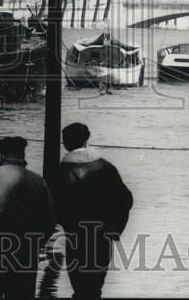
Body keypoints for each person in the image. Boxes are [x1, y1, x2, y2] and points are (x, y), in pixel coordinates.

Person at [0, 136, 55, 299]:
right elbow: (49, 219)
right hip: (26, 248)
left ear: (2, 155)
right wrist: (38, 243)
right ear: (23, 155)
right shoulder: (38, 181)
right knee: (21, 293)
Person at [53, 123, 133, 299]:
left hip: (75, 237)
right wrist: (115, 228)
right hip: (102, 236)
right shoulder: (106, 167)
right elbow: (126, 199)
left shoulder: (61, 172)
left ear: (65, 143)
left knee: (80, 287)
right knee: (95, 287)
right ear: (86, 139)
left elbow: (54, 206)